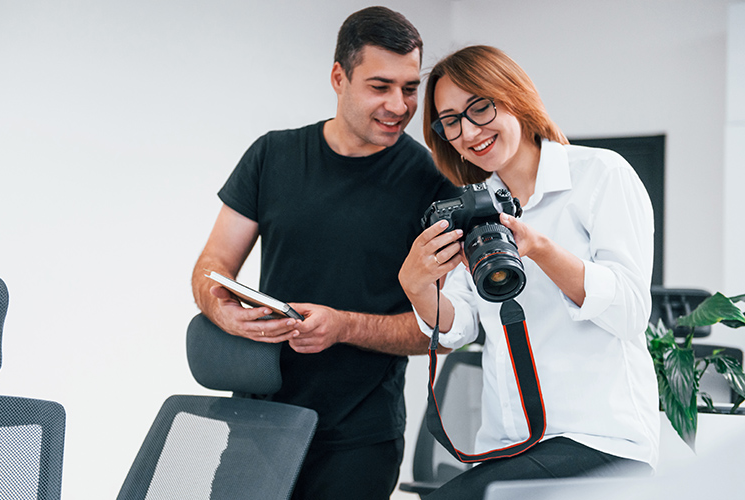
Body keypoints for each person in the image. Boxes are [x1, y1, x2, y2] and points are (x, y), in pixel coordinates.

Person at [191, 7, 456, 500]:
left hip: (360, 437)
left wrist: (344, 326)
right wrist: (223, 311)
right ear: (339, 77)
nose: (399, 105)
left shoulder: (432, 185)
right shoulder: (271, 155)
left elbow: (441, 330)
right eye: (380, 86)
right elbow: (211, 268)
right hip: (258, 419)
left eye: (410, 88)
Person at [398, 45, 660, 500]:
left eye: (480, 107)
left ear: (514, 96)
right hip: (508, 446)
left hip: (600, 440)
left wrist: (540, 249)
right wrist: (416, 286)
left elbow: (631, 312)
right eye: (451, 120)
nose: (469, 131)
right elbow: (455, 326)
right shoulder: (474, 208)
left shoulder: (600, 175)